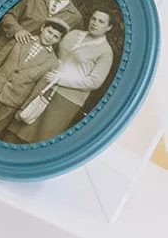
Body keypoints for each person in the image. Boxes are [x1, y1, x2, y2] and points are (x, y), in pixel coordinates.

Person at [20, 9, 116, 142]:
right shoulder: (74, 34)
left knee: (43, 138)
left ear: (109, 27)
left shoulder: (105, 52)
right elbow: (52, 51)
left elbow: (95, 82)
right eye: (93, 19)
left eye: (101, 21)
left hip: (67, 99)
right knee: (21, 128)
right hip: (45, 85)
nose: (95, 23)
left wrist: (62, 80)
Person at [0, 18, 67, 138]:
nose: (50, 37)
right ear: (42, 28)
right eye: (49, 32)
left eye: (55, 36)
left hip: (12, 101)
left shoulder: (52, 62)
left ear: (59, 40)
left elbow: (38, 88)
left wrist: (22, 108)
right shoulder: (22, 39)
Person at [0, 0, 83, 46]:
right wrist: (17, 30)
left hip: (34, 63)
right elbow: (9, 16)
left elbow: (68, 45)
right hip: (8, 47)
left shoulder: (75, 17)